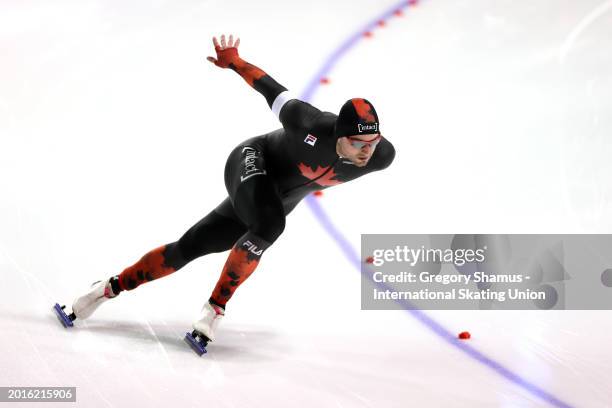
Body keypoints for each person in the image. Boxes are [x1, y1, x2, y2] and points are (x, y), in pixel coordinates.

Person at [67, 34, 396, 343]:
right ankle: (214, 309)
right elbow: (271, 90)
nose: (367, 151)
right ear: (339, 134)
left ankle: (107, 288)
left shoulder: (381, 156)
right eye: (358, 143)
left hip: (276, 197)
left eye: (373, 141)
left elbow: (372, 151)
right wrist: (234, 61)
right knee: (270, 223)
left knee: (190, 246)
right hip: (252, 160)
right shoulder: (306, 122)